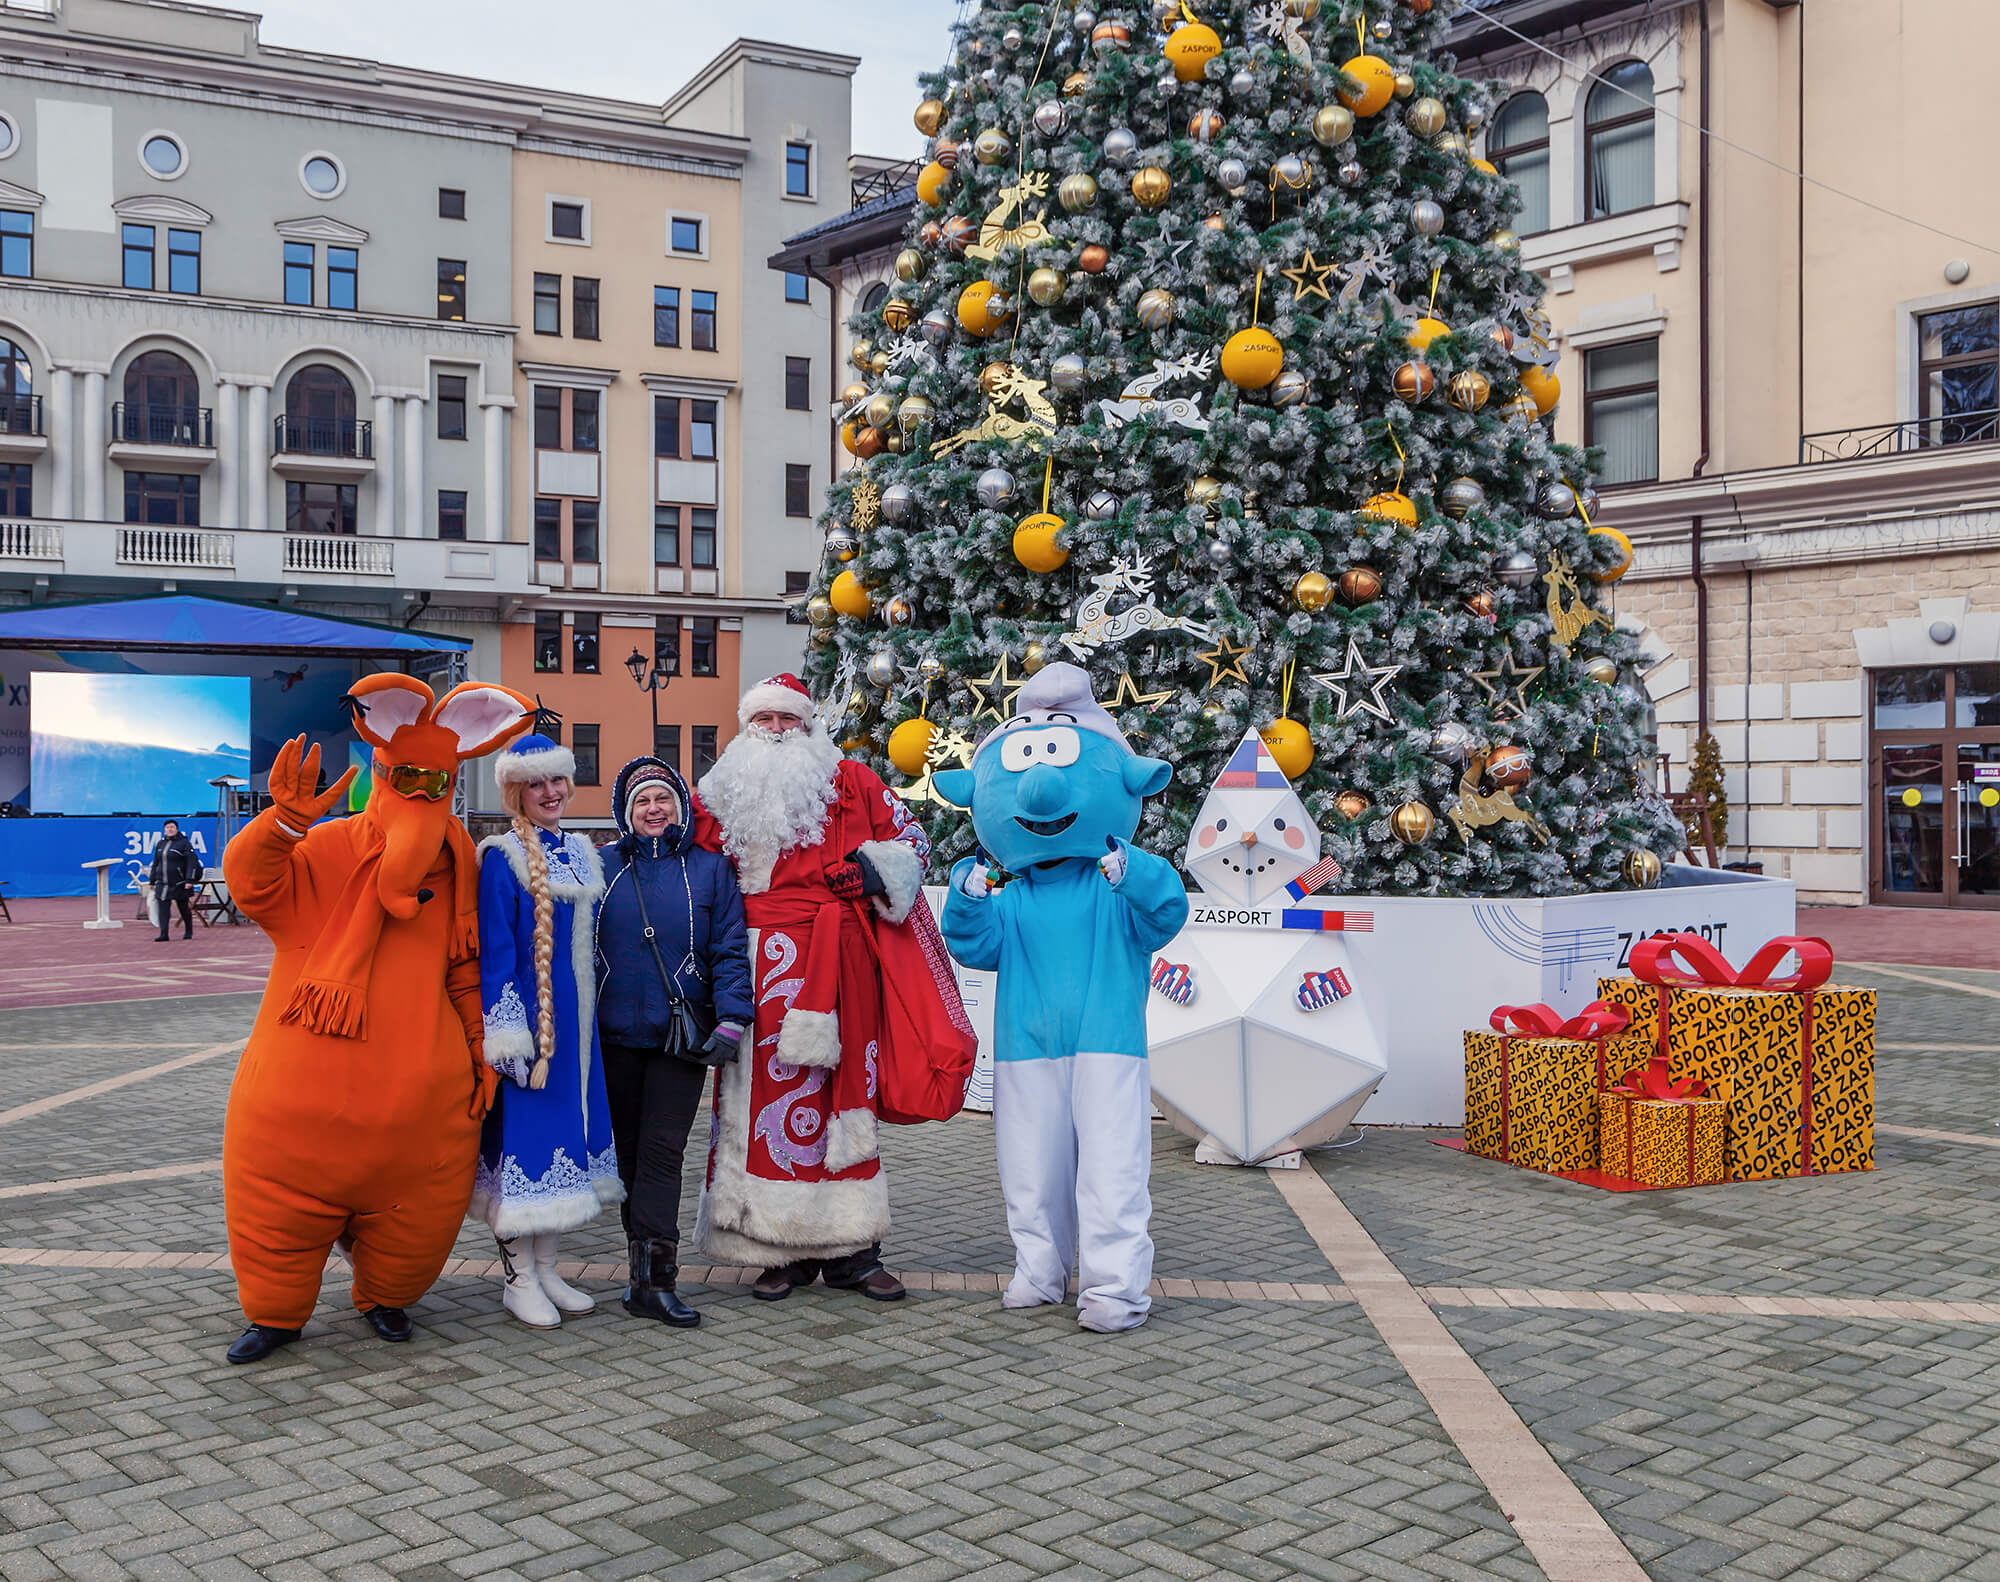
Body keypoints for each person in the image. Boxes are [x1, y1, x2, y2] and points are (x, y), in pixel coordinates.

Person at [220, 677, 534, 1363]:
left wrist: (483, 1048)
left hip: (421, 1119)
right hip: (296, 1115)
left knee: (412, 1238)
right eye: (408, 778)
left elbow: (467, 969)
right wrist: (282, 823)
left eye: (439, 782)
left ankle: (386, 1298)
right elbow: (253, 885)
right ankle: (275, 1315)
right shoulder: (331, 850)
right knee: (276, 1219)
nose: (423, 795)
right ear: (383, 771)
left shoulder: (463, 869)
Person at [692, 673, 967, 1301]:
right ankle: (775, 1249)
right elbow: (695, 869)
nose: (778, 730)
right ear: (747, 726)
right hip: (753, 968)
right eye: (766, 720)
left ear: (810, 725)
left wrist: (871, 869)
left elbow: (913, 842)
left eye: (789, 720)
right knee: (763, 1105)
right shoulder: (719, 789)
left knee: (842, 1093)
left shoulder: (853, 780)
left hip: (839, 965)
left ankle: (852, 1249)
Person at [938, 663, 1188, 1333]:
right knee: (1031, 1167)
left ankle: (1114, 1289)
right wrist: (964, 900)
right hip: (1026, 1047)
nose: (1041, 787)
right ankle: (1040, 1270)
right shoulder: (1010, 893)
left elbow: (1165, 915)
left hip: (1108, 1046)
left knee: (1112, 1171)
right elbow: (976, 946)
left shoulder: (1115, 884)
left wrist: (1134, 870)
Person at [595, 755, 753, 1326]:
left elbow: (730, 951)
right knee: (631, 1160)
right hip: (612, 1038)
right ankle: (638, 1279)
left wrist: (732, 1019)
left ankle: (659, 1282)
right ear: (625, 812)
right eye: (642, 801)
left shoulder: (711, 870)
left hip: (679, 1039)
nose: (654, 808)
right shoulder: (601, 866)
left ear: (680, 807)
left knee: (661, 1157)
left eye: (663, 798)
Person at [474, 730, 621, 1329]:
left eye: (557, 780)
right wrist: (508, 1035)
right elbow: (497, 953)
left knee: (569, 1138)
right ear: (516, 791)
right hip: (533, 1038)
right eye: (536, 784)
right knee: (526, 1147)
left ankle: (549, 1268)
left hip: (578, 1036)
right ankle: (518, 1279)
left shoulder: (584, 852)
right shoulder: (502, 858)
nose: (551, 792)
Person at [149, 818, 199, 941]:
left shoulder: (184, 843)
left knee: (183, 908)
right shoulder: (160, 844)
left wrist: (189, 880)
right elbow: (156, 863)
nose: (169, 829)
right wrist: (152, 880)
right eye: (167, 827)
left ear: (176, 829)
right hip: (162, 883)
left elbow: (191, 862)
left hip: (179, 883)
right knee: (163, 909)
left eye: (172, 827)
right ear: (164, 830)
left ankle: (189, 931)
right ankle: (163, 934)